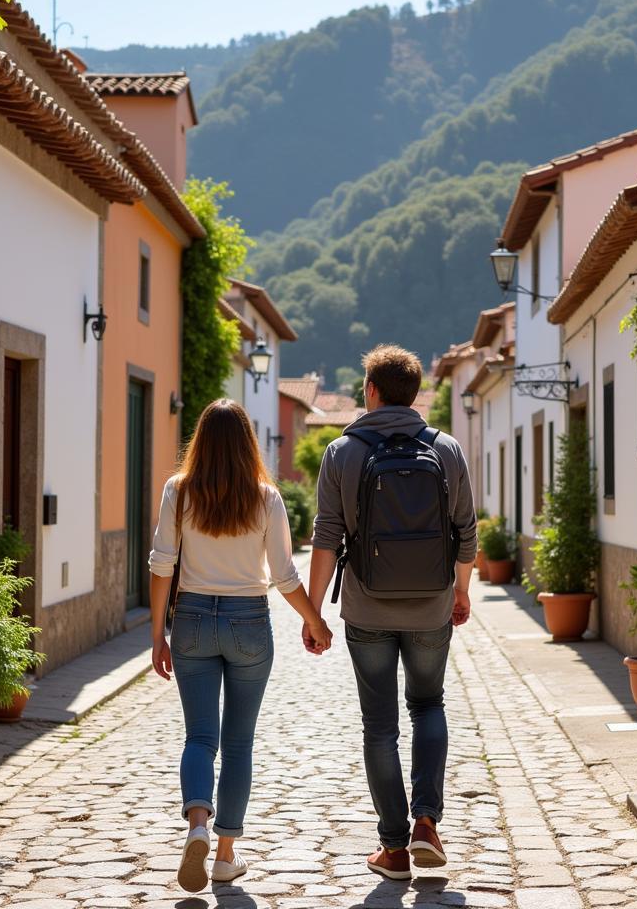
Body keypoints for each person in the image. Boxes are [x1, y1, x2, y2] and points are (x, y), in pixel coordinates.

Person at [306, 344, 477, 881]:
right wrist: (461, 592)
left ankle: (394, 848)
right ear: (416, 391)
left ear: (372, 391)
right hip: (430, 606)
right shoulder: (446, 449)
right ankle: (427, 823)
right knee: (429, 706)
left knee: (379, 725)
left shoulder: (341, 452)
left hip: (367, 608)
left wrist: (313, 613)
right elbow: (467, 532)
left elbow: (326, 538)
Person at [149, 399, 333, 894]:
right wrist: (314, 621)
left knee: (199, 737)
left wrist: (156, 636)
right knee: (238, 744)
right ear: (249, 444)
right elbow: (284, 575)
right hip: (248, 621)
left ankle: (196, 824)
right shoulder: (267, 497)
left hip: (190, 619)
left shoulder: (178, 491)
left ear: (201, 442)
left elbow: (161, 565)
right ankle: (225, 855)